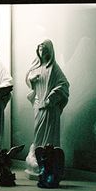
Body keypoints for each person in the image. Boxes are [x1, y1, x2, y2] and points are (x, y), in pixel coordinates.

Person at [24, 39, 70, 177]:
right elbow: (28, 80)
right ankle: (37, 155)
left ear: (49, 51)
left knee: (50, 133)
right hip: (39, 104)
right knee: (38, 131)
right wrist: (31, 80)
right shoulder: (35, 67)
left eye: (43, 49)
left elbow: (64, 85)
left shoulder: (54, 68)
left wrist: (52, 96)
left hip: (50, 107)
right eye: (39, 49)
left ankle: (49, 159)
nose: (41, 51)